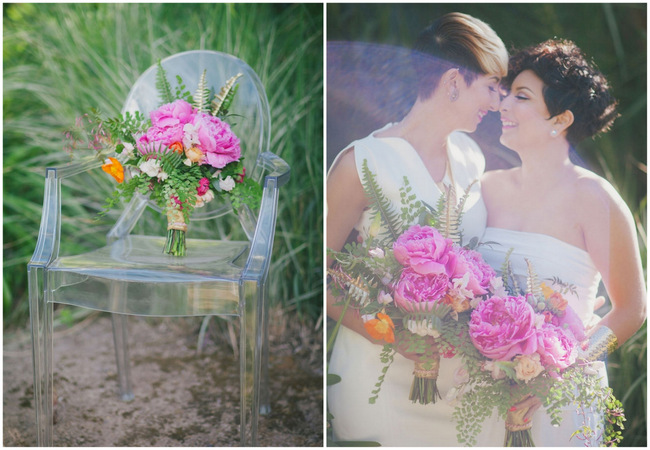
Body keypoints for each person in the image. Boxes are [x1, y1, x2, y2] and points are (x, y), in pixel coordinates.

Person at [327, 12, 507, 446]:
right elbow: (324, 276)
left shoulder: (471, 158)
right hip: (381, 378)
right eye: (491, 86)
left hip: (463, 388)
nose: (498, 101)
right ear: (452, 81)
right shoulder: (362, 162)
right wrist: (392, 335)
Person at [478, 39, 647, 446]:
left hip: (559, 397)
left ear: (561, 119)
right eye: (506, 94)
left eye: (521, 97)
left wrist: (559, 371)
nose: (503, 106)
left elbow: (631, 310)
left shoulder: (596, 198)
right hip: (483, 390)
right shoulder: (485, 188)